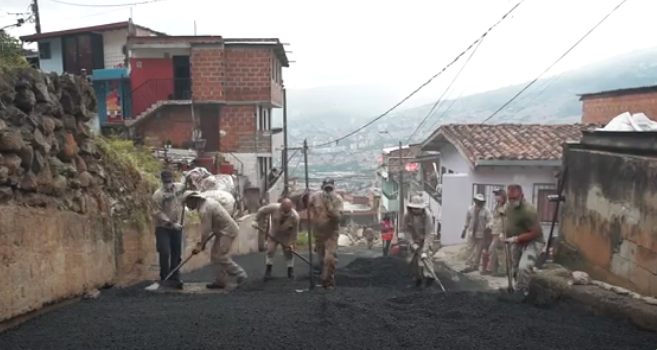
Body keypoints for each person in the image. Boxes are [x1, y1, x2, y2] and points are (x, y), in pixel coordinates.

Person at [183, 191, 248, 289]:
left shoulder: (204, 209)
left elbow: (206, 230)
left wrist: (201, 245)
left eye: (187, 203)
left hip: (228, 231)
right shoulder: (206, 204)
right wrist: (202, 244)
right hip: (221, 231)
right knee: (214, 256)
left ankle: (241, 275)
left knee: (221, 256)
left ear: (192, 199)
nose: (187, 206)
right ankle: (220, 280)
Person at [503, 184, 545, 298]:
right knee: (515, 269)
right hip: (516, 241)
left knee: (524, 267)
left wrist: (516, 238)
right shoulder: (508, 207)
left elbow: (535, 232)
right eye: (509, 198)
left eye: (514, 198)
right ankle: (519, 287)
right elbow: (509, 222)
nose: (511, 201)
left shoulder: (529, 210)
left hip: (533, 242)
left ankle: (521, 293)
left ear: (522, 195)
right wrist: (507, 236)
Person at [151, 170, 186, 289]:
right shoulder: (158, 194)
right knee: (165, 252)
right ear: (162, 181)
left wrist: (188, 180)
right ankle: (164, 277)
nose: (168, 184)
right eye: (165, 182)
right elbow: (157, 212)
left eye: (170, 181)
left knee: (177, 253)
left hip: (177, 227)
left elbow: (187, 188)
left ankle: (175, 277)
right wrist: (171, 223)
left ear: (172, 180)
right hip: (163, 228)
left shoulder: (178, 188)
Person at [252, 198, 300, 280]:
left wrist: (291, 243)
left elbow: (294, 233)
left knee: (289, 253)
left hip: (286, 236)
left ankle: (290, 270)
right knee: (270, 251)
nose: (283, 211)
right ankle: (268, 270)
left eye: (286, 210)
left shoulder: (295, 217)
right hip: (273, 234)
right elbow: (261, 211)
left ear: (290, 209)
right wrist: (255, 220)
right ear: (281, 206)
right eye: (283, 209)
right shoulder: (274, 207)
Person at [309, 177, 343, 290]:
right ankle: (324, 279)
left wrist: (330, 207)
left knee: (329, 259)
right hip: (319, 234)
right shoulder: (316, 197)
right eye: (326, 188)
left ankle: (329, 282)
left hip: (331, 233)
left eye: (330, 189)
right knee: (321, 259)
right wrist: (306, 199)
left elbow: (338, 219)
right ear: (322, 188)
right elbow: (306, 202)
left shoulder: (338, 200)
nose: (328, 191)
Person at [403, 196, 437, 287]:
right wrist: (412, 243)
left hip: (425, 240)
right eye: (414, 208)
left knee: (426, 259)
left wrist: (425, 250)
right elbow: (406, 230)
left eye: (418, 208)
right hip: (414, 241)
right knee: (413, 261)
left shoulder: (427, 215)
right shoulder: (407, 215)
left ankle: (429, 281)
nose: (416, 210)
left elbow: (429, 233)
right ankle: (417, 280)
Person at [461, 194, 493, 273]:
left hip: (481, 234)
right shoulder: (470, 209)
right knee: (469, 249)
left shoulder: (486, 210)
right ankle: (469, 265)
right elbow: (467, 220)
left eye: (481, 202)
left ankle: (475, 265)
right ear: (475, 201)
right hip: (471, 233)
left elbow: (491, 220)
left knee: (478, 251)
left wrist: (488, 226)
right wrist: (464, 229)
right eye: (478, 201)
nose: (479, 203)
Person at [483, 189, 508, 276]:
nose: (496, 196)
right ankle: (490, 269)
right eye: (495, 194)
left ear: (503, 196)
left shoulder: (506, 207)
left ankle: (502, 271)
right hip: (495, 232)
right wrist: (490, 224)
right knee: (492, 250)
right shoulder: (497, 206)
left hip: (501, 232)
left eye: (498, 194)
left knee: (500, 251)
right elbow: (495, 218)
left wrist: (503, 232)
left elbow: (506, 220)